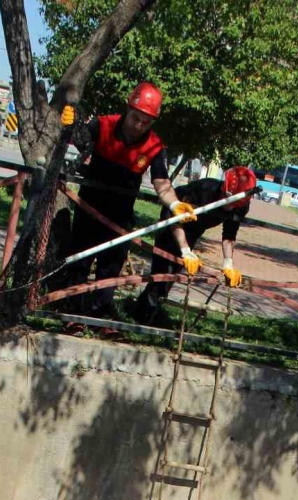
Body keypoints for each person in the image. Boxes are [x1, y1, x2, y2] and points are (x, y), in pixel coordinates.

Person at [58, 84, 198, 323]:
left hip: (120, 216)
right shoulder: (104, 125)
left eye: (146, 121)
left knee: (111, 268)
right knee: (79, 263)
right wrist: (67, 125)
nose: (139, 126)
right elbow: (77, 138)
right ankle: (71, 314)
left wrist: (174, 204)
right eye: (136, 118)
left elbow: (161, 181)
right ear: (128, 107)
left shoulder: (154, 146)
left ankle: (99, 317)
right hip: (89, 208)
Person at [131, 165, 258, 326]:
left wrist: (228, 263)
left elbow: (229, 234)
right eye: (229, 201)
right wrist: (185, 250)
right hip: (172, 219)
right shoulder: (203, 190)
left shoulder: (242, 204)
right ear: (223, 190)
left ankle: (150, 309)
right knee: (162, 269)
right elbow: (174, 219)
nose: (231, 208)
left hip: (194, 229)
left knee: (174, 271)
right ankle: (143, 316)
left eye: (236, 205)